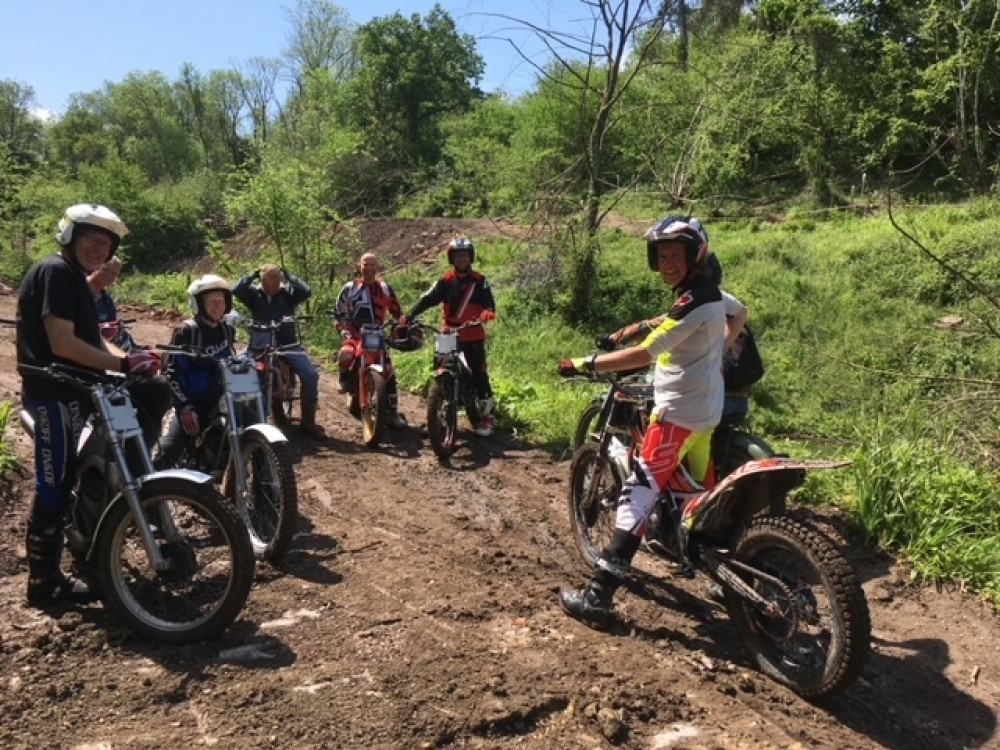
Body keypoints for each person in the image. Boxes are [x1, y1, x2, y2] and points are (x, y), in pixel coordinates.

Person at [556, 215, 726, 630]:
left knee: (638, 492)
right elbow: (738, 314)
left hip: (677, 417)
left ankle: (599, 596)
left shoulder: (694, 301)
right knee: (695, 496)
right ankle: (711, 568)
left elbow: (645, 354)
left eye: (675, 254)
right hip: (705, 414)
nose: (667, 262)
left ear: (695, 255)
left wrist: (585, 363)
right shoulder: (708, 294)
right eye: (661, 255)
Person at [16, 203, 163, 607]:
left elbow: (96, 340)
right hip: (51, 396)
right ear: (70, 235)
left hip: (77, 390)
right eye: (91, 240)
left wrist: (134, 361)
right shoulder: (55, 272)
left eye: (106, 244)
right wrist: (119, 363)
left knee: (153, 397)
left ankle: (91, 526)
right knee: (54, 486)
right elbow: (62, 342)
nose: (99, 250)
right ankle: (43, 583)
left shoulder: (76, 281)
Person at [599, 251, 750, 424]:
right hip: (738, 403)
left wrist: (614, 338)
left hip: (704, 401)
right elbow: (743, 311)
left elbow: (647, 328)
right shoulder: (724, 303)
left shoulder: (694, 305)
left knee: (651, 398)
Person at [405, 236, 498, 437]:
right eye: (458, 255)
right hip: (448, 332)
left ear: (470, 257)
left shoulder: (480, 281)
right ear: (451, 258)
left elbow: (489, 304)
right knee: (440, 368)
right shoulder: (446, 281)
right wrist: (410, 315)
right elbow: (428, 299)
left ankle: (488, 416)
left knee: (479, 372)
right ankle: (436, 412)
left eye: (465, 255)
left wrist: (487, 313)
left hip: (472, 332)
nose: (462, 259)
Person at [232, 263, 325, 439]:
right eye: (268, 286)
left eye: (275, 286)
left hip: (287, 344)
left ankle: (308, 422)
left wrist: (289, 276)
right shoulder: (254, 294)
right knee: (237, 368)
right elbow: (236, 289)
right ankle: (243, 419)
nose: (272, 290)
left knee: (310, 374)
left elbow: (306, 291)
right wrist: (253, 274)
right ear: (262, 283)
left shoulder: (288, 294)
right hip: (259, 343)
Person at [155, 275, 237, 471]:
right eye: (212, 302)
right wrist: (184, 407)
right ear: (199, 304)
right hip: (191, 401)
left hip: (220, 402)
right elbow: (171, 374)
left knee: (252, 426)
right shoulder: (187, 332)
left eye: (221, 301)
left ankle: (266, 488)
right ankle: (151, 495)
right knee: (164, 453)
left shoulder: (227, 330)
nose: (218, 307)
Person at [333, 253, 408, 429]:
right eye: (366, 264)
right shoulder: (350, 287)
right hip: (355, 335)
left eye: (373, 265)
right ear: (359, 267)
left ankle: (392, 411)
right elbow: (338, 311)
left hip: (377, 335)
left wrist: (401, 327)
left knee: (389, 370)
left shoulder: (385, 288)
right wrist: (342, 329)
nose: (369, 268)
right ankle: (344, 380)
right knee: (344, 356)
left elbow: (397, 312)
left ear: (378, 267)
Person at [87, 256, 137, 352]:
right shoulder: (78, 287)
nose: (109, 275)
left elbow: (111, 322)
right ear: (96, 267)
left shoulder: (107, 300)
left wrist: (116, 327)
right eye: (105, 270)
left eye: (114, 273)